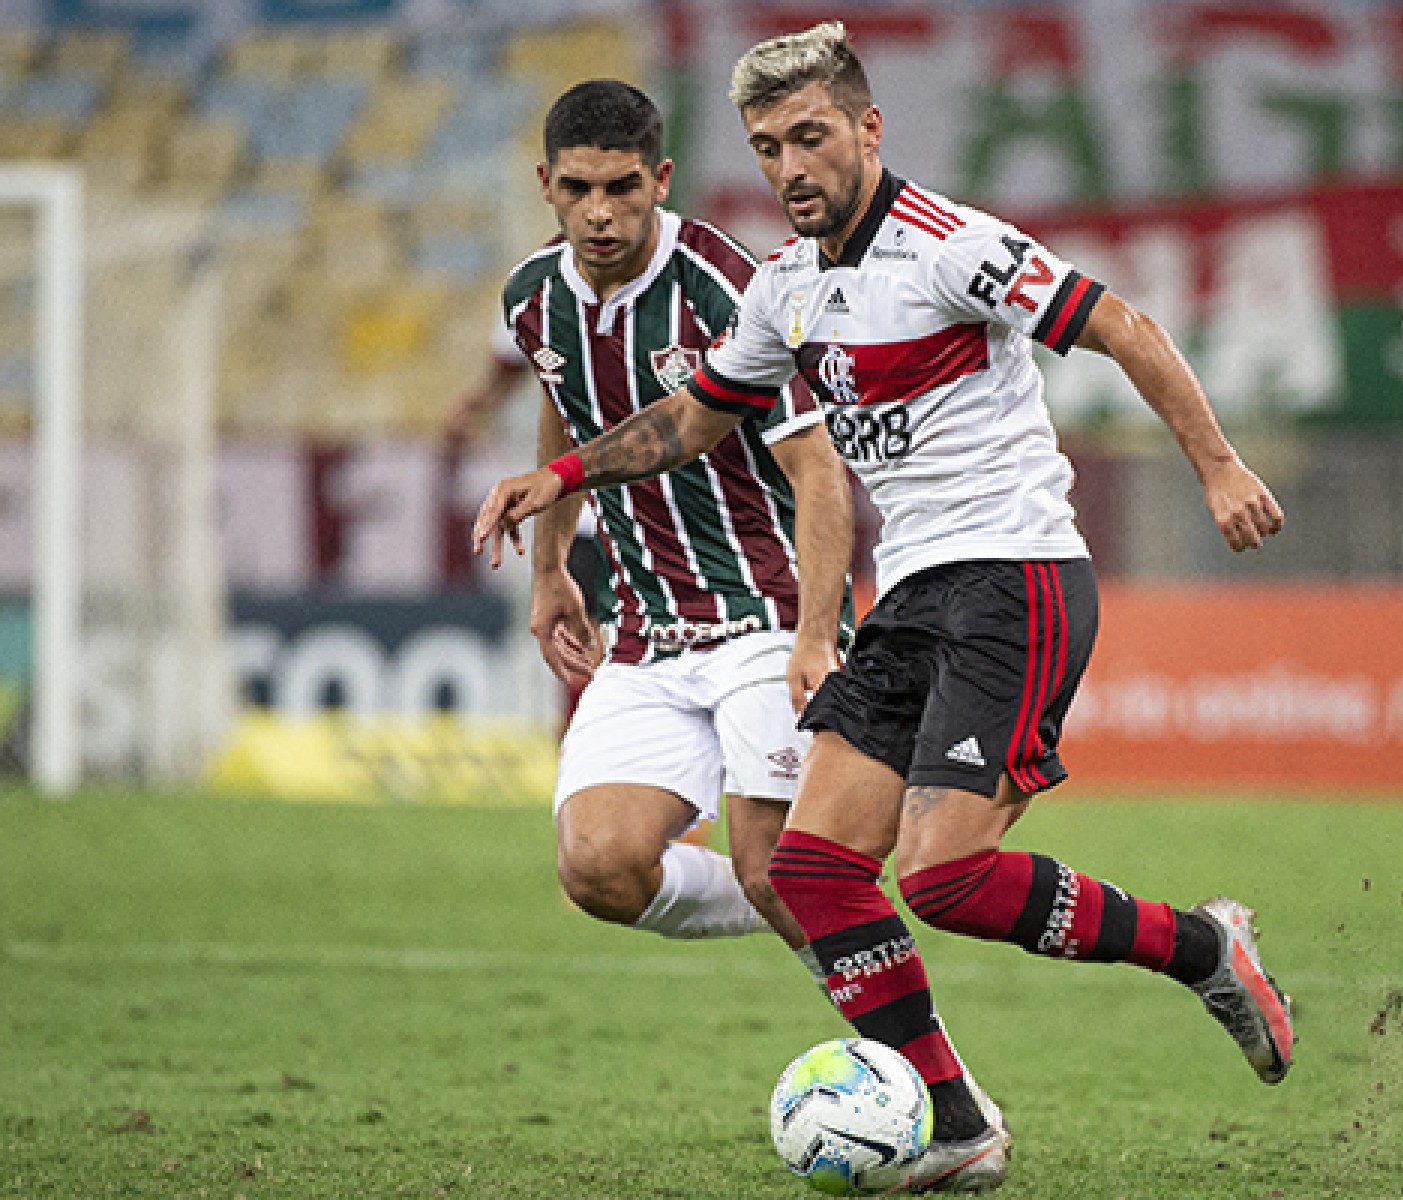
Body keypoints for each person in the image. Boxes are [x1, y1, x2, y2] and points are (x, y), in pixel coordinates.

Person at [475, 23, 1294, 1193]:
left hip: (1016, 577)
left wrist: (1215, 463)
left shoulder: (950, 247)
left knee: (946, 876)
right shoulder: (787, 289)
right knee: (809, 872)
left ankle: (1203, 946)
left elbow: (1120, 323)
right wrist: (555, 482)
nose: (790, 167)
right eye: (767, 148)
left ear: (868, 128)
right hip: (912, 595)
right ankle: (958, 1123)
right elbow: (694, 420)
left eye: (810, 136)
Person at [488, 79, 857, 960]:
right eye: (578, 190)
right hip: (649, 629)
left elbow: (818, 471)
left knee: (775, 867)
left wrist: (816, 635)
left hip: (764, 611)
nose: (600, 213)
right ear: (547, 183)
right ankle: (814, 900)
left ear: (661, 178)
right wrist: (549, 574)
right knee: (598, 868)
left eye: (622, 188)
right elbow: (566, 414)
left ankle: (941, 1087)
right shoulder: (532, 295)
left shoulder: (728, 286)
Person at [442, 325, 614, 734]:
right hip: (588, 511)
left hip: (639, 507)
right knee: (585, 639)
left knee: (603, 641)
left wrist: (471, 407)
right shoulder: (538, 295)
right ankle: (582, 745)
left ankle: (587, 740)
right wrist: (472, 407)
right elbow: (506, 370)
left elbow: (502, 375)